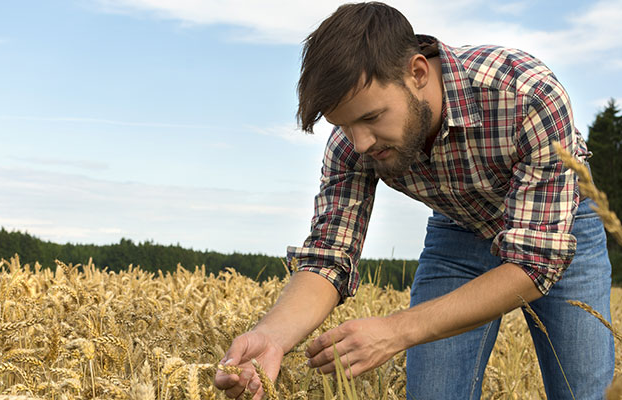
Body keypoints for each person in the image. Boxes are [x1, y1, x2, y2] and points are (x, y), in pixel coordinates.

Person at [213, 3, 615, 399]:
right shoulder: (351, 143)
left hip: (559, 229)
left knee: (587, 393)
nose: (360, 142)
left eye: (371, 118)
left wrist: (397, 330)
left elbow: (533, 262)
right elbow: (329, 256)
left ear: (418, 72)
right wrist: (272, 336)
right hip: (458, 230)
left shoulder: (527, 94)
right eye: (344, 126)